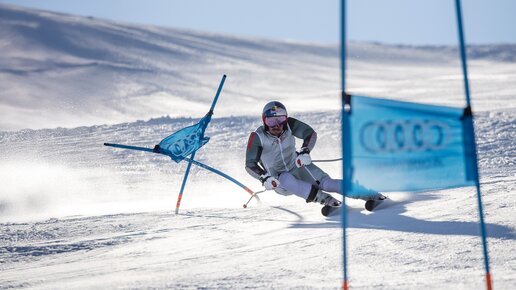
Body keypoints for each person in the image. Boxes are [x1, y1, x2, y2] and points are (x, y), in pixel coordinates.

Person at [245, 101, 385, 209]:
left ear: (285, 119)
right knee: (286, 178)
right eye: (271, 121)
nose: (277, 125)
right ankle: (323, 199)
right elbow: (250, 164)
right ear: (264, 121)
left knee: (328, 183)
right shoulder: (258, 137)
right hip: (279, 180)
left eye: (280, 120)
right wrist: (264, 178)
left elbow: (310, 133)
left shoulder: (289, 125)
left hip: (298, 167)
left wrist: (305, 151)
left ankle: (368, 193)